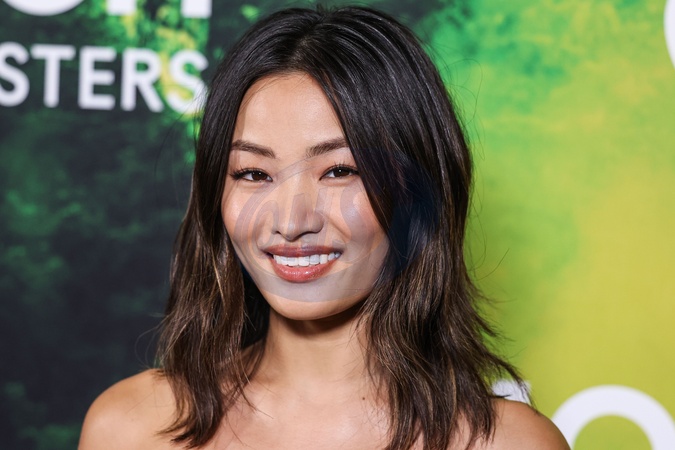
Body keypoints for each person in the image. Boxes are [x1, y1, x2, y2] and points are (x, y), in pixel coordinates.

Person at [79, 6, 569, 450]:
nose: (291, 223)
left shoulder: (506, 443)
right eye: (254, 174)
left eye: (339, 171)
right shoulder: (131, 428)